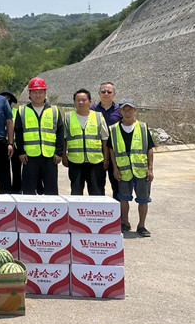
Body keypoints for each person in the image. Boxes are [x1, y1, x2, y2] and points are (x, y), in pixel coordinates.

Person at [107, 98, 155, 237]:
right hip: (123, 170)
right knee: (124, 198)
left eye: (130, 109)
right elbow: (111, 150)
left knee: (143, 198)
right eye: (124, 109)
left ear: (135, 110)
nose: (127, 112)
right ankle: (125, 223)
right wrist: (115, 168)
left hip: (141, 170)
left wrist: (150, 168)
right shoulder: (114, 129)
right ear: (120, 111)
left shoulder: (143, 127)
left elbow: (149, 148)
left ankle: (141, 225)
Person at [14, 77, 64, 195]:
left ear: (45, 93)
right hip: (29, 157)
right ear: (29, 94)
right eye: (34, 92)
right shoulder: (22, 111)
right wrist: (21, 152)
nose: (38, 95)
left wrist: (59, 153)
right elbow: (18, 133)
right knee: (29, 191)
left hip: (50, 157)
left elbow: (60, 132)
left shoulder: (54, 111)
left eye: (40, 92)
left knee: (51, 191)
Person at [62, 89, 109, 195]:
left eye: (84, 100)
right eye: (78, 100)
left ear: (90, 102)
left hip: (95, 161)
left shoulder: (98, 117)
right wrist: (64, 157)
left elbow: (105, 139)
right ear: (74, 102)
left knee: (97, 193)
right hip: (75, 161)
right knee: (76, 193)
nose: (81, 102)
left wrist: (106, 159)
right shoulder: (68, 117)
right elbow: (64, 139)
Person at [91, 82, 123, 200]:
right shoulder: (92, 110)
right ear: (99, 93)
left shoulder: (120, 110)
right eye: (103, 91)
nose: (106, 94)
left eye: (109, 92)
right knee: (98, 186)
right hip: (97, 152)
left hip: (116, 152)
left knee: (117, 185)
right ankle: (100, 209)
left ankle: (118, 210)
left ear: (114, 94)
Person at [0, 90, 23, 194]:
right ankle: (6, 189)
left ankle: (17, 189)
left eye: (8, 100)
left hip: (15, 145)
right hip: (2, 144)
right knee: (4, 169)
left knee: (16, 168)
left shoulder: (16, 112)